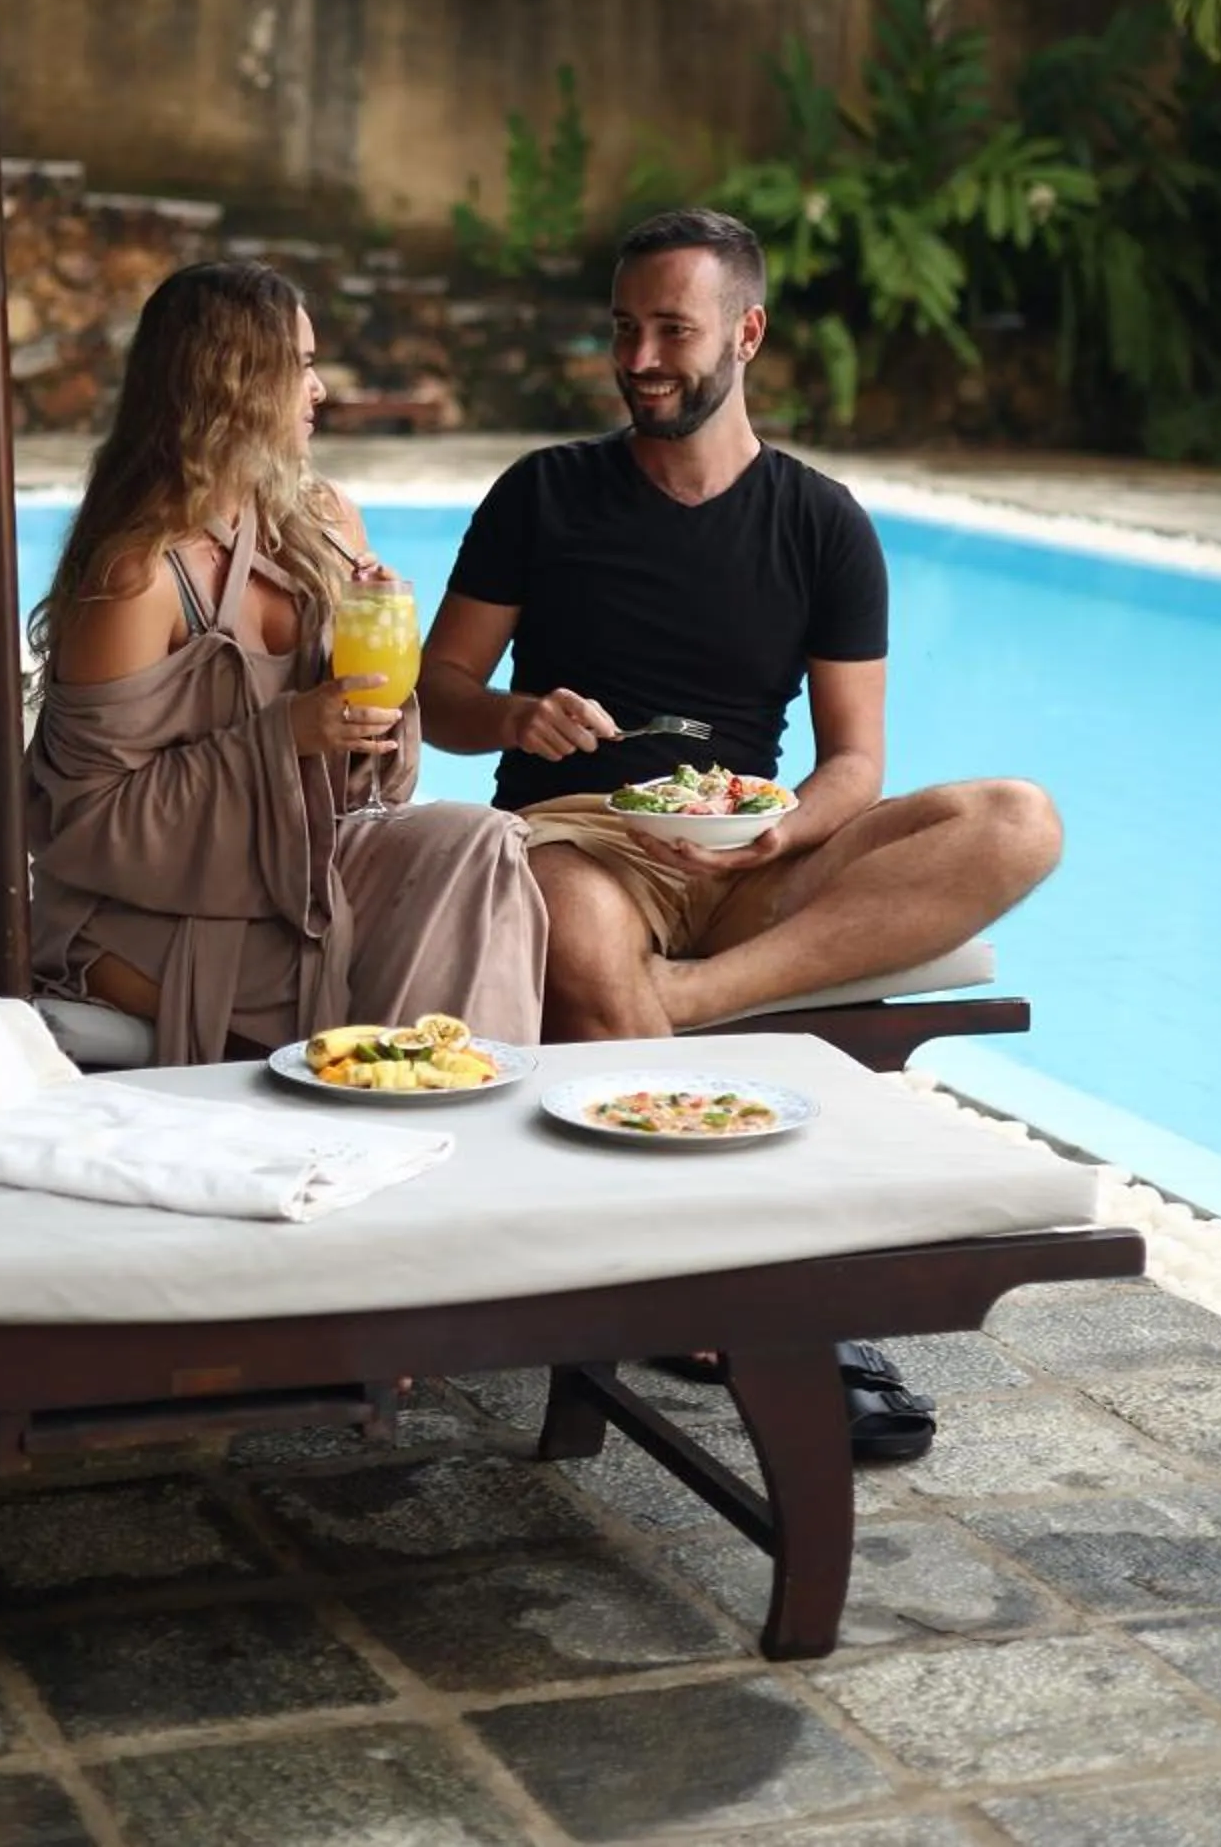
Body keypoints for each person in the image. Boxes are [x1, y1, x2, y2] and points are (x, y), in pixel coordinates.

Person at [419, 204, 1063, 1457]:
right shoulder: (542, 494)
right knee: (586, 941)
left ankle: (698, 1004)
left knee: (1015, 822)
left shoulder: (821, 524)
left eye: (671, 329)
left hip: (754, 846)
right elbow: (436, 702)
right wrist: (516, 713)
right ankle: (780, 1298)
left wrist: (787, 832)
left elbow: (854, 761)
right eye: (624, 329)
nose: (640, 358)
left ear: (745, 333)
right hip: (581, 835)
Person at [27, 260, 546, 1067]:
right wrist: (289, 734)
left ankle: (450, 1097)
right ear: (230, 381)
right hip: (155, 910)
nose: (321, 390)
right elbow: (84, 825)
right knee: (414, 952)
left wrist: (371, 668)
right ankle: (405, 1106)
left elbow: (375, 788)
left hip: (300, 869)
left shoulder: (324, 521)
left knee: (480, 845)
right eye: (299, 366)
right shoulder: (139, 575)